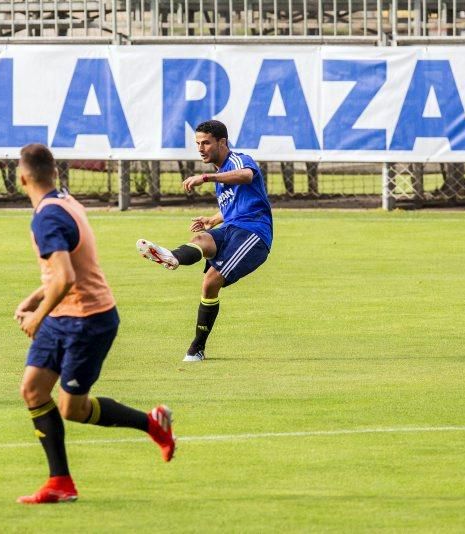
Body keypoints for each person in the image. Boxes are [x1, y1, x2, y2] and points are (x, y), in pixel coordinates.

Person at [14, 143, 176, 504]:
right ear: (53, 173)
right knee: (34, 391)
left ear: (21, 177)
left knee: (73, 408)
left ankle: (152, 423)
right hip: (64, 315)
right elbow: (68, 269)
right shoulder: (64, 202)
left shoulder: (47, 217)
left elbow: (68, 276)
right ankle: (60, 482)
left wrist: (37, 316)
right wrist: (38, 297)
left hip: (88, 320)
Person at [136, 120, 272, 362]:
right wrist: (213, 218)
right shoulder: (221, 174)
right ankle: (172, 257)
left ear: (222, 142)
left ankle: (196, 347)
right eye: (198, 143)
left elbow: (247, 176)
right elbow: (235, 205)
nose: (200, 148)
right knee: (201, 240)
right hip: (231, 227)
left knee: (211, 280)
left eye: (206, 142)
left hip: (254, 234)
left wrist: (207, 177)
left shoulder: (238, 161)